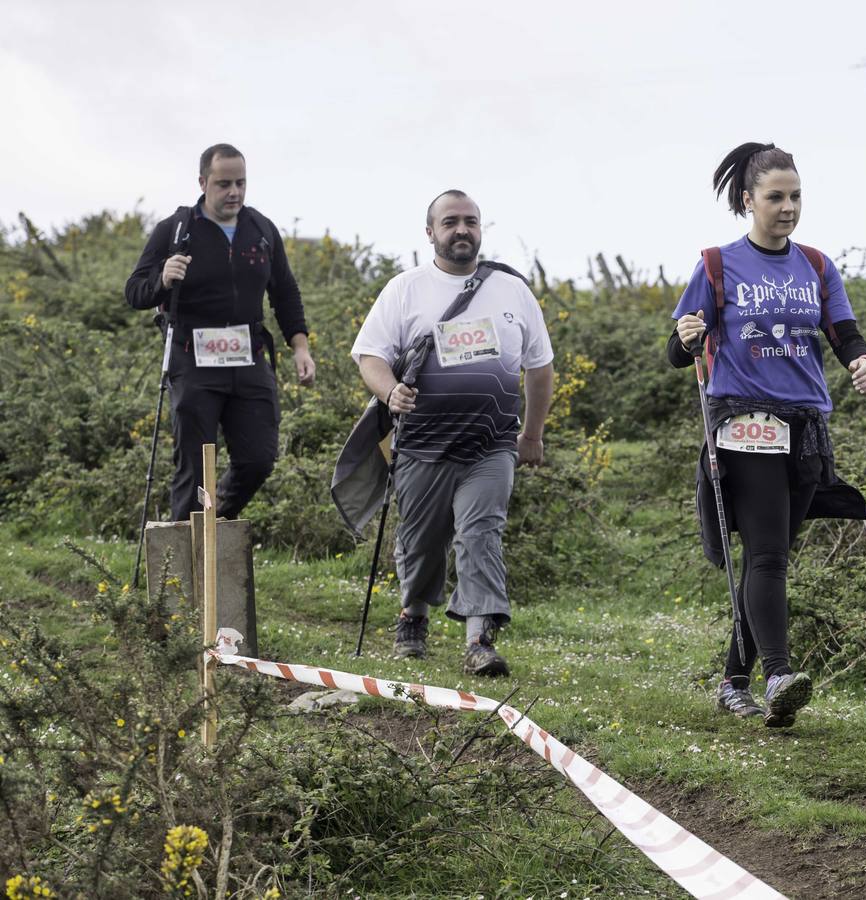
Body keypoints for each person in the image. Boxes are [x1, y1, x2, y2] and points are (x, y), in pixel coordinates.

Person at [668, 142, 866, 728]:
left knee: (773, 557)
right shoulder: (716, 263)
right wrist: (687, 336)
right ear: (748, 200)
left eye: (795, 196)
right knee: (767, 555)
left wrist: (862, 362)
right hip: (744, 422)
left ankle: (733, 680)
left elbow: (845, 333)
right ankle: (779, 675)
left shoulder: (816, 265)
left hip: (807, 426)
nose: (788, 208)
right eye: (775, 197)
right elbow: (676, 351)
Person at [350, 189, 554, 672]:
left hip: (492, 444)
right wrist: (389, 391)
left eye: (471, 221)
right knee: (421, 542)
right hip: (421, 443)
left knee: (480, 532)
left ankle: (479, 639)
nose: (462, 229)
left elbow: (540, 366)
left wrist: (532, 434)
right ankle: (413, 615)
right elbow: (370, 355)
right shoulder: (405, 289)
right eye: (450, 222)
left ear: (481, 229)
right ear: (430, 233)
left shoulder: (513, 291)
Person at [125, 143, 315, 522]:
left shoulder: (260, 229)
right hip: (192, 359)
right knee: (194, 471)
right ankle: (182, 568)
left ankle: (209, 524)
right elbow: (135, 291)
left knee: (259, 459)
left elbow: (285, 291)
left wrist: (300, 346)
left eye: (241, 183)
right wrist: (162, 278)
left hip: (248, 356)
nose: (234, 192)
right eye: (224, 183)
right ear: (203, 182)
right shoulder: (175, 229)